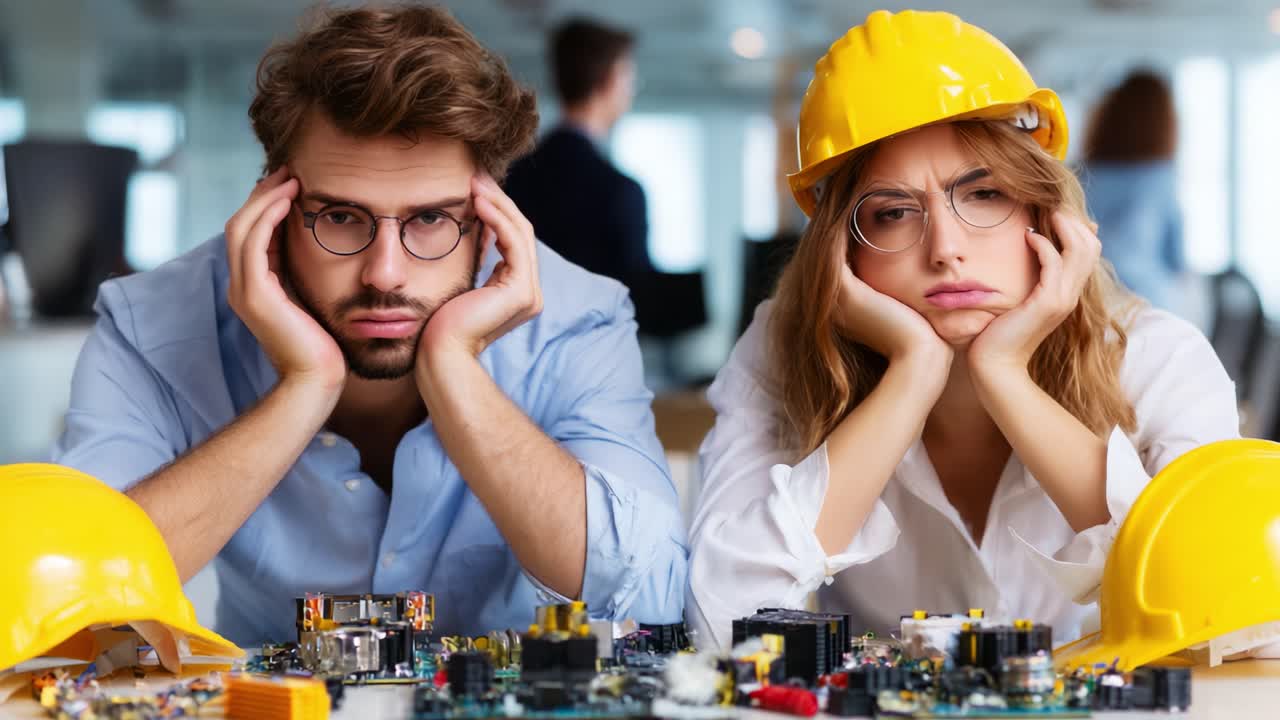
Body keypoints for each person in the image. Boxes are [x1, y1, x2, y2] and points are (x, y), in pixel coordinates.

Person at [53, 4, 687, 646]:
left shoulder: (580, 316)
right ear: (271, 207)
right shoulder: (150, 325)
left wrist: (455, 372)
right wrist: (304, 387)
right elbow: (69, 600)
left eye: (432, 219)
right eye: (339, 217)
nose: (385, 274)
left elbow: (651, 587)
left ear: (490, 219)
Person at [686, 9, 1238, 651]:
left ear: (1044, 212)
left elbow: (1222, 617)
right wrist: (912, 374)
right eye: (892, 213)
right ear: (844, 252)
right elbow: (719, 623)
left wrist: (1006, 378)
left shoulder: (1155, 356)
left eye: (984, 195)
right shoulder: (784, 349)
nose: (946, 248)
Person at [504, 17, 651, 290]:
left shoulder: (511, 177)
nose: (630, 91)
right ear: (609, 80)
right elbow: (637, 298)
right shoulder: (621, 191)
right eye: (628, 77)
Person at [1082, 70, 1187, 314]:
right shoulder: (1160, 179)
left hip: (1086, 307)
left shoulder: (1080, 175)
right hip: (1145, 305)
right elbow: (1175, 259)